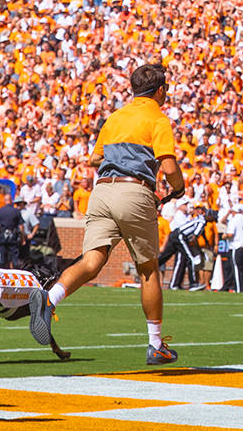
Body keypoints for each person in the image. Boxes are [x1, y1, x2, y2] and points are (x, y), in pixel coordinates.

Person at [29, 62, 186, 365]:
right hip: (134, 190)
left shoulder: (115, 117)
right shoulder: (158, 118)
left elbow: (95, 159)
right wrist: (178, 188)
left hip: (101, 191)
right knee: (148, 269)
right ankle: (156, 345)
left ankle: (50, 299)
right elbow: (169, 168)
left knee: (91, 261)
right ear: (162, 91)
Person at [224, 201, 243, 291]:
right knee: (242, 269)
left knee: (236, 268)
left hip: (237, 245)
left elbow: (230, 234)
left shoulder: (234, 220)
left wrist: (224, 236)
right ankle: (235, 287)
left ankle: (238, 289)